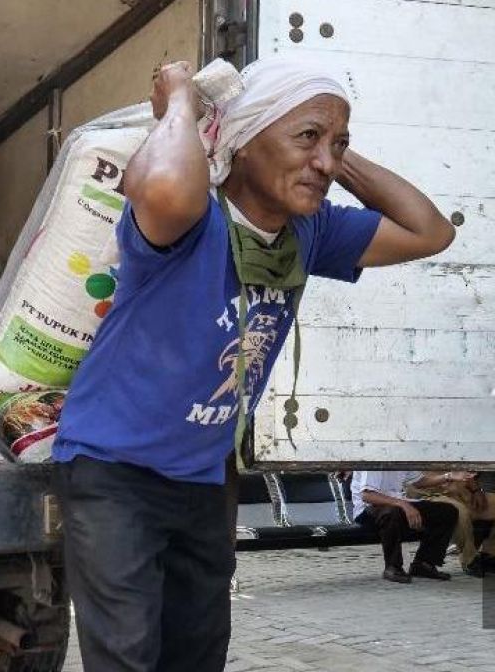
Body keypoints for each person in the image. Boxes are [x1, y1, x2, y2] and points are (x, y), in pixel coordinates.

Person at [53, 57, 456, 672]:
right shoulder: (190, 219)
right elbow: (162, 185)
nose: (324, 160)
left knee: (198, 655)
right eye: (306, 137)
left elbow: (429, 231)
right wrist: (183, 103)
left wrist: (327, 156)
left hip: (206, 476)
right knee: (127, 658)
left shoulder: (311, 231)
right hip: (115, 472)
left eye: (337, 143)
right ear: (243, 141)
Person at [351, 470, 459, 583]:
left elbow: (419, 481)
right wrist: (404, 505)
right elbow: (368, 495)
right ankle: (392, 567)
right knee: (392, 513)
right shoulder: (374, 460)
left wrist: (449, 476)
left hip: (397, 505)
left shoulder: (400, 458)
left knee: (447, 512)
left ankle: (424, 564)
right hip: (367, 511)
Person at [404, 470, 495, 576]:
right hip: (432, 495)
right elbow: (418, 482)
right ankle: (470, 560)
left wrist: (476, 490)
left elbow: (465, 470)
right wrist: (448, 476)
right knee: (460, 513)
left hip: (462, 492)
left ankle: (489, 555)